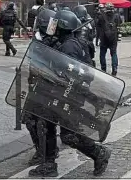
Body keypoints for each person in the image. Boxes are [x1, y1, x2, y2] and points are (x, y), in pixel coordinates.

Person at [28, 10, 111, 177]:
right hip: (58, 93)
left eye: (55, 24)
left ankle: (99, 153)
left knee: (69, 135)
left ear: (62, 27)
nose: (52, 27)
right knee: (46, 125)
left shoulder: (69, 46)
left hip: (68, 94)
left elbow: (74, 74)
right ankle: (49, 164)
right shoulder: (66, 42)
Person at [24, 8, 60, 166]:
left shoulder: (56, 42)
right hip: (37, 84)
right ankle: (43, 150)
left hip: (48, 87)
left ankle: (45, 153)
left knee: (41, 122)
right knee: (29, 119)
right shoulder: (40, 38)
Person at [97, 3, 120, 76]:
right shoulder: (116, 16)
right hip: (113, 38)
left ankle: (103, 69)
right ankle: (115, 68)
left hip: (104, 38)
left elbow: (98, 25)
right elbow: (119, 24)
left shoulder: (101, 16)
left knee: (102, 54)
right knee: (113, 53)